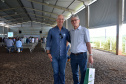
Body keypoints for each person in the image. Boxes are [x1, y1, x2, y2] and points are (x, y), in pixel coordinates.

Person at [46, 15, 70, 84]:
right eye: (59, 19)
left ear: (64, 21)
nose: (61, 21)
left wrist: (66, 46)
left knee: (62, 72)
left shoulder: (66, 31)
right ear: (56, 20)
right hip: (54, 55)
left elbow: (69, 39)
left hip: (63, 56)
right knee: (56, 72)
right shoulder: (51, 31)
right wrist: (48, 53)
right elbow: (48, 42)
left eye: (62, 19)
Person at [70, 14, 93, 84]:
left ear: (79, 21)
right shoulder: (71, 31)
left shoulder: (84, 30)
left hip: (82, 55)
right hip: (73, 56)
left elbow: (88, 43)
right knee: (74, 73)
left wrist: (91, 55)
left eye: (75, 20)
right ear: (71, 22)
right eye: (72, 21)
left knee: (83, 72)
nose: (74, 22)